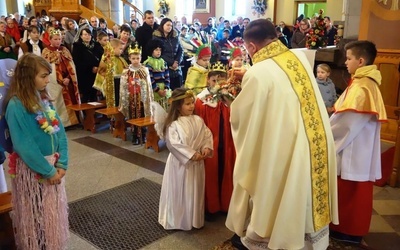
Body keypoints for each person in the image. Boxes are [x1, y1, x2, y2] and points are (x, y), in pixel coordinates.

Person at [224, 19, 338, 250]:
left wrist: (233, 101)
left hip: (287, 147)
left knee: (275, 187)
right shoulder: (299, 58)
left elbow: (244, 119)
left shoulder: (257, 73)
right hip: (315, 141)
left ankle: (272, 239)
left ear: (252, 47)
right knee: (303, 191)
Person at [5, 53, 69, 249]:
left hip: (53, 166)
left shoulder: (44, 99)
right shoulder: (16, 105)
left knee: (51, 215)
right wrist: (48, 171)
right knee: (36, 217)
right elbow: (24, 145)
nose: (47, 80)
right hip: (34, 171)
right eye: (43, 76)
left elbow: (60, 132)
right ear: (27, 76)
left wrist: (62, 162)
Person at [329, 40, 387, 244]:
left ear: (360, 61)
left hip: (353, 151)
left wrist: (324, 134)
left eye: (349, 58)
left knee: (350, 194)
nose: (346, 62)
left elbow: (346, 125)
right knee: (354, 193)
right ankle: (349, 231)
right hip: (358, 149)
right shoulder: (364, 82)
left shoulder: (361, 87)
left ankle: (347, 232)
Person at [158, 88, 213, 230]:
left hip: (197, 164)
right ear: (178, 106)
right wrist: (192, 155)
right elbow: (174, 144)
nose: (192, 106)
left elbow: (206, 135)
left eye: (192, 103)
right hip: (181, 164)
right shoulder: (173, 124)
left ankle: (194, 219)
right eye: (187, 104)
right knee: (180, 191)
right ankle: (178, 220)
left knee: (195, 191)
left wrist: (206, 148)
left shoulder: (198, 120)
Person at [42, 29, 81, 127]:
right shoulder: (46, 51)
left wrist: (68, 77)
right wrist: (60, 79)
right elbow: (47, 70)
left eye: (59, 39)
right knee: (58, 102)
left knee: (72, 99)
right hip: (56, 83)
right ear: (50, 40)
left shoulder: (65, 50)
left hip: (68, 81)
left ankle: (75, 121)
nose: (58, 41)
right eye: (55, 39)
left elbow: (71, 66)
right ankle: (62, 123)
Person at [119, 43, 154, 145]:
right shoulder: (126, 71)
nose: (135, 60)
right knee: (132, 116)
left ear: (141, 58)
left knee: (142, 115)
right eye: (133, 58)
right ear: (129, 58)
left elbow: (147, 85)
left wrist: (139, 83)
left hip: (141, 99)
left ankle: (143, 134)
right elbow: (123, 85)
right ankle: (135, 135)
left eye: (137, 58)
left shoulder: (144, 70)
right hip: (131, 98)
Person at [93, 38, 128, 108]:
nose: (122, 51)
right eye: (120, 49)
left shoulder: (120, 59)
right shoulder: (107, 58)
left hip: (120, 84)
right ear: (113, 48)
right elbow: (103, 71)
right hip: (111, 85)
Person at [153, 18, 183, 90]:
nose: (169, 27)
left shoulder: (175, 36)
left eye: (171, 25)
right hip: (164, 68)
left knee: (178, 92)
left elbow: (180, 50)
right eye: (167, 25)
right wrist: (171, 63)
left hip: (176, 68)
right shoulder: (157, 37)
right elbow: (159, 53)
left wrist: (177, 62)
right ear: (162, 25)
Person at [143, 39, 170, 111]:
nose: (158, 52)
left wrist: (166, 88)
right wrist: (158, 90)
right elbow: (150, 79)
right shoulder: (148, 63)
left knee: (164, 109)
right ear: (151, 50)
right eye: (156, 50)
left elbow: (167, 76)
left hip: (163, 90)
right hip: (154, 91)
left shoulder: (163, 62)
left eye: (160, 50)